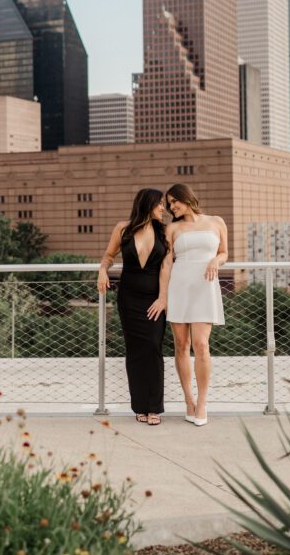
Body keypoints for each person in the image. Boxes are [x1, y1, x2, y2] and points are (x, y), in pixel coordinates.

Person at [97, 188, 169, 425]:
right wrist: (102, 271)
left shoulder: (165, 232)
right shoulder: (123, 228)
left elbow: (167, 268)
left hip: (155, 299)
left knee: (153, 347)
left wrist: (163, 298)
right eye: (159, 204)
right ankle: (139, 405)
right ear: (148, 204)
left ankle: (155, 407)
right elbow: (109, 255)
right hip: (128, 298)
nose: (163, 208)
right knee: (135, 349)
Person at [161, 183, 226, 427]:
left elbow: (225, 252)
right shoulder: (172, 228)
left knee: (201, 344)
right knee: (181, 345)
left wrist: (216, 262)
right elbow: (167, 263)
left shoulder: (216, 221)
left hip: (205, 285)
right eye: (168, 204)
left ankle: (202, 402)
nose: (171, 207)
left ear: (186, 198)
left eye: (174, 201)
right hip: (179, 286)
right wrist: (164, 296)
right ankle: (188, 400)